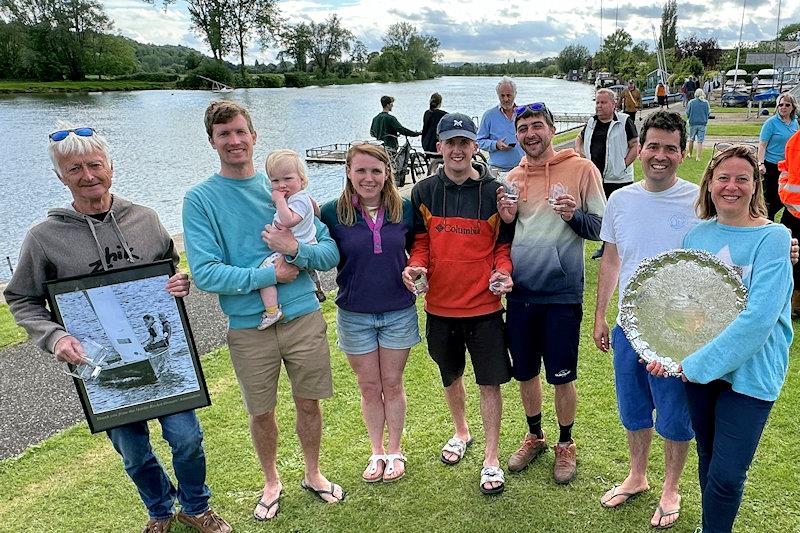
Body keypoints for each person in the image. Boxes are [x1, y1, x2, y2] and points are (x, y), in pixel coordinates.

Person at [3, 123, 230, 533]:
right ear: (60, 177)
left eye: (94, 165)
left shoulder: (144, 218)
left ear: (111, 166)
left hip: (156, 352)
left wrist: (178, 284)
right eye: (74, 169)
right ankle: (160, 510)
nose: (88, 176)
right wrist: (55, 337)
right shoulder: (43, 237)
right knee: (134, 454)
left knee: (186, 440)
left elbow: (169, 267)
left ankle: (196, 507)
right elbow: (21, 297)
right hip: (98, 363)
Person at [182, 101, 342, 522]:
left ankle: (312, 473)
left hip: (304, 316)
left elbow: (328, 252)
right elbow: (205, 273)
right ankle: (272, 480)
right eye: (224, 135)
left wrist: (296, 252)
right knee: (261, 410)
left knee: (309, 403)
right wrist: (269, 277)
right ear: (212, 141)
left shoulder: (285, 185)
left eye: (240, 132)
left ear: (254, 135)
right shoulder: (200, 200)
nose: (234, 141)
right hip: (249, 326)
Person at [648, 145, 792, 533]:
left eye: (742, 178)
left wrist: (690, 365)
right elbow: (683, 305)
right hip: (701, 370)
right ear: (709, 184)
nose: (732, 186)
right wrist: (667, 351)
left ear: (755, 186)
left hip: (750, 375)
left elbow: (758, 319)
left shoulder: (774, 238)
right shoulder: (697, 235)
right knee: (709, 458)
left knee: (728, 474)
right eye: (723, 177)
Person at [593, 111, 697, 529]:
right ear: (639, 150)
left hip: (679, 333)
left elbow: (741, 234)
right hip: (628, 328)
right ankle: (637, 476)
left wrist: (783, 246)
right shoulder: (621, 200)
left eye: (670, 148)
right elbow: (613, 258)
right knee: (634, 409)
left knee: (674, 415)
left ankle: (671, 488)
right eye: (653, 146)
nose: (660, 155)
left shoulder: (698, 200)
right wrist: (601, 314)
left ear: (683, 152)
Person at [402, 112, 515, 495]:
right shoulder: (423, 192)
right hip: (439, 308)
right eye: (450, 142)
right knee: (450, 375)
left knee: (489, 383)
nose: (457, 149)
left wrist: (503, 272)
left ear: (474, 147)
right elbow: (420, 244)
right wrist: (416, 266)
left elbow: (502, 245)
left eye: (464, 142)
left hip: (484, 309)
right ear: (439, 147)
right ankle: (461, 432)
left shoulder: (493, 191)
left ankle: (492, 457)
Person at [499, 102, 605, 484]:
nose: (530, 133)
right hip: (522, 292)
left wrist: (571, 216)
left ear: (552, 128)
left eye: (537, 125)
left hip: (562, 292)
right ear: (517, 135)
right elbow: (507, 237)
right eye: (523, 127)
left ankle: (566, 443)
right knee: (525, 372)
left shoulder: (581, 169)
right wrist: (506, 221)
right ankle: (534, 435)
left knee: (561, 375)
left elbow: (600, 229)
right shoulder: (511, 177)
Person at [320, 143, 419, 483]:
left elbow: (419, 246)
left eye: (376, 170)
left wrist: (417, 267)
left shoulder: (404, 209)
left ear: (387, 173)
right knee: (368, 386)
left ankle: (395, 450)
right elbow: (312, 246)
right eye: (360, 170)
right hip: (355, 313)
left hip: (397, 310)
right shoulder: (332, 212)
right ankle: (376, 451)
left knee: (392, 384)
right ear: (348, 172)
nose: (368, 178)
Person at [575, 87, 638, 258]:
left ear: (613, 104)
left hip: (619, 179)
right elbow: (579, 139)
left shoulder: (624, 121)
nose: (599, 106)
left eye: (603, 102)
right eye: (597, 102)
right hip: (596, 177)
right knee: (603, 214)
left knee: (620, 215)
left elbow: (635, 146)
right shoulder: (591, 122)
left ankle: (622, 248)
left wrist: (622, 166)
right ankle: (606, 247)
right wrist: (580, 154)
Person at [258, 149, 317, 329]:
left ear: (302, 179)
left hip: (298, 245)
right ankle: (316, 282)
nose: (281, 185)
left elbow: (288, 220)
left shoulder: (298, 200)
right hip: (300, 245)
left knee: (264, 273)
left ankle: (272, 310)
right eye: (275, 181)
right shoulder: (295, 197)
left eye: (287, 179)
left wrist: (279, 201)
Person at [758, 92, 799, 220]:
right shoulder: (771, 123)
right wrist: (761, 163)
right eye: (780, 105)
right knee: (770, 200)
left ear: (793, 107)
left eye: (787, 105)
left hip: (788, 167)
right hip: (771, 166)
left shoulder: (794, 123)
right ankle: (767, 223)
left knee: (786, 198)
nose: (783, 107)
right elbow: (762, 145)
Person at [477, 76, 526, 174]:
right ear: (497, 95)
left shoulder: (524, 113)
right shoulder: (489, 115)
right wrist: (496, 144)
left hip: (522, 168)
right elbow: (479, 141)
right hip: (498, 170)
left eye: (509, 95)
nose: (506, 99)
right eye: (502, 96)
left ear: (515, 94)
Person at [779, 130, 800, 318]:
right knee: (790, 258)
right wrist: (785, 195)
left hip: (792, 209)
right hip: (793, 211)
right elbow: (785, 169)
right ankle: (791, 302)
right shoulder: (793, 141)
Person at [686, 88, 711, 162]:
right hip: (702, 123)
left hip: (693, 123)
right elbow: (708, 113)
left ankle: (690, 154)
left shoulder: (691, 102)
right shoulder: (706, 103)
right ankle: (698, 157)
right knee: (700, 141)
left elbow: (687, 113)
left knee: (691, 139)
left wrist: (690, 117)